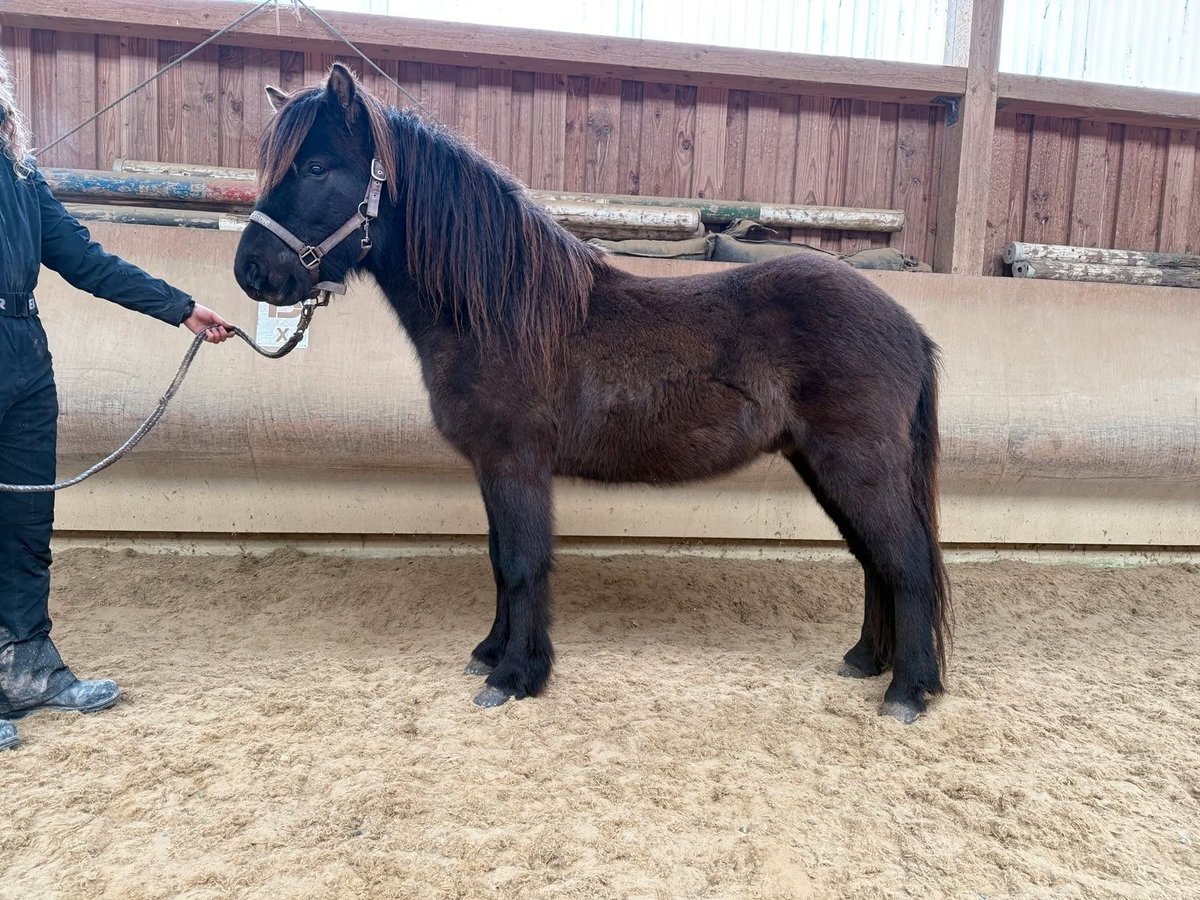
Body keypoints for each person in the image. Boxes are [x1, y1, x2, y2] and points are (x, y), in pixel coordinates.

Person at [0, 51, 232, 751]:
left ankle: (28, 667)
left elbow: (86, 261)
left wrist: (181, 308)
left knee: (25, 522)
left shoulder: (19, 175)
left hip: (23, 350)